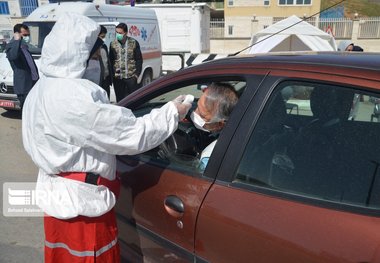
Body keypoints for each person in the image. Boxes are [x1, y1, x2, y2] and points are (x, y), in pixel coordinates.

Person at [22, 13, 191, 263]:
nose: (96, 62)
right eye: (93, 56)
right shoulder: (75, 96)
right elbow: (131, 135)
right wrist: (171, 113)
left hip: (56, 197)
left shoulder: (41, 88)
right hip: (83, 208)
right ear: (78, 54)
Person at [189, 82, 238, 171]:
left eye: (202, 116)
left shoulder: (209, 158)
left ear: (220, 124)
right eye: (197, 106)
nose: (194, 113)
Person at [5, 23, 39, 109]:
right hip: (24, 86)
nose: (27, 37)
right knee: (27, 112)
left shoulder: (24, 47)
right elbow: (13, 56)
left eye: (28, 35)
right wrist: (17, 41)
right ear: (17, 34)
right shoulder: (11, 46)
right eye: (25, 35)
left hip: (33, 82)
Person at [109, 22, 143, 102]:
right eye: (116, 32)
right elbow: (111, 60)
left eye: (120, 33)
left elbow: (139, 59)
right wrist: (112, 75)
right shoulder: (113, 44)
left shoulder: (133, 43)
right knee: (120, 101)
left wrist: (136, 75)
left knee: (133, 100)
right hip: (118, 78)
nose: (118, 34)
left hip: (131, 77)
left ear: (126, 33)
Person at [98, 25, 112, 99]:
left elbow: (107, 62)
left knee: (107, 99)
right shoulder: (92, 49)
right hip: (98, 80)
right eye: (102, 36)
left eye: (104, 36)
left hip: (106, 79)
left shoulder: (104, 46)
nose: (104, 39)